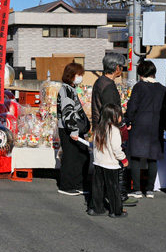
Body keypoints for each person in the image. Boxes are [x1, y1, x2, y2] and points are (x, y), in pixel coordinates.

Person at [91, 52, 137, 207]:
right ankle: (118, 195)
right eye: (121, 67)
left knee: (102, 164)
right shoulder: (109, 87)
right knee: (116, 163)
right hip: (109, 130)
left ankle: (105, 196)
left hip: (100, 129)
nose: (122, 70)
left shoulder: (99, 81)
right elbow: (111, 112)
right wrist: (122, 125)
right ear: (117, 67)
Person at [124, 60, 166, 199]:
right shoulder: (162, 89)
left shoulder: (139, 87)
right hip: (156, 125)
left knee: (136, 157)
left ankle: (136, 189)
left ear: (141, 73)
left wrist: (128, 119)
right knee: (152, 158)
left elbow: (133, 106)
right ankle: (149, 190)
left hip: (140, 124)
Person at [88, 104, 129, 218]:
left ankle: (96, 208)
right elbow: (116, 148)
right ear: (114, 117)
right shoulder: (114, 130)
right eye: (120, 115)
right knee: (113, 188)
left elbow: (95, 147)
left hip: (98, 162)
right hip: (110, 164)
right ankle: (116, 211)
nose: (121, 118)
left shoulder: (98, 129)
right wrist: (123, 159)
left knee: (97, 187)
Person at [56, 62, 90, 196]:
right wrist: (74, 130)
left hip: (71, 128)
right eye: (79, 74)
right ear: (71, 75)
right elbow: (68, 112)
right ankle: (66, 186)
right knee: (71, 157)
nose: (80, 77)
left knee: (80, 156)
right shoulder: (66, 90)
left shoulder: (70, 89)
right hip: (69, 129)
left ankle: (77, 184)